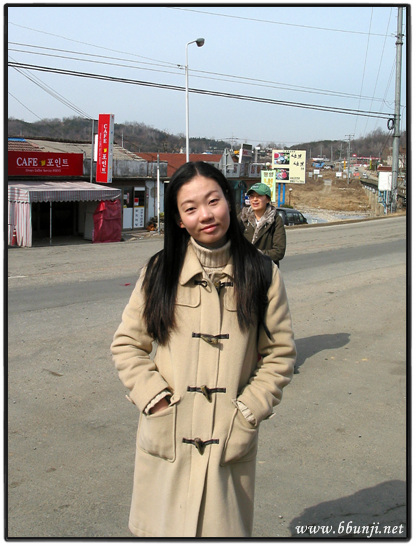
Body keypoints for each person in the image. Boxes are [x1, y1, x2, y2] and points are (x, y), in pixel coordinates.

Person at [111, 162, 296, 538]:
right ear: (179, 220)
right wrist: (155, 401)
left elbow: (280, 355)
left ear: (229, 201)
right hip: (168, 434)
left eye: (213, 201)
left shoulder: (262, 274)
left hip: (229, 439)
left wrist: (247, 412)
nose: (206, 215)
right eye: (191, 208)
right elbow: (127, 344)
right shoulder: (160, 271)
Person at [239, 182, 286, 267]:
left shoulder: (275, 220)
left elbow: (279, 252)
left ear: (268, 199)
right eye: (252, 196)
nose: (255, 199)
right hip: (243, 268)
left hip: (265, 269)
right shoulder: (242, 217)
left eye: (259, 196)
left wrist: (254, 254)